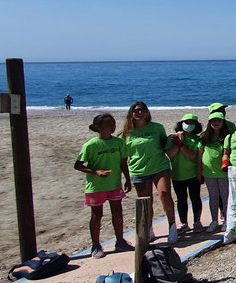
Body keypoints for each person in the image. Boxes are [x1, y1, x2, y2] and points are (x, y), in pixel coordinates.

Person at [74, 113, 131, 258]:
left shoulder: (119, 142)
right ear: (98, 127)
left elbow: (123, 163)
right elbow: (78, 165)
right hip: (96, 187)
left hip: (114, 185)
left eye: (113, 123)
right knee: (96, 215)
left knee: (117, 212)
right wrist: (95, 172)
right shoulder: (90, 145)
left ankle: (120, 241)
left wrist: (128, 179)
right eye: (108, 124)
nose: (113, 126)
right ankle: (95, 245)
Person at [121, 102, 176, 241]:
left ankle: (172, 226)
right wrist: (126, 177)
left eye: (142, 110)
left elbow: (165, 145)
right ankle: (149, 229)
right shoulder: (126, 133)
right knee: (146, 202)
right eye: (136, 110)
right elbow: (122, 158)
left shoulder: (157, 128)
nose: (139, 113)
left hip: (160, 167)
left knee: (164, 194)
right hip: (138, 171)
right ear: (131, 113)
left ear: (147, 112)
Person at [168, 113, 204, 239]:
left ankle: (197, 221)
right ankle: (184, 223)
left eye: (192, 123)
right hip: (177, 175)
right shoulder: (172, 138)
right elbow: (170, 154)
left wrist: (181, 144)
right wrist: (177, 143)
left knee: (195, 198)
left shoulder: (197, 140)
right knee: (181, 199)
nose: (188, 125)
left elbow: (193, 157)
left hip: (193, 174)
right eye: (186, 122)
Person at [200, 112, 229, 232]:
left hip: (223, 173)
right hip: (208, 172)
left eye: (219, 120)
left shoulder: (227, 137)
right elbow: (200, 154)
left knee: (225, 197)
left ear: (223, 122)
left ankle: (227, 220)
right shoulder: (204, 136)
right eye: (213, 121)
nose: (216, 123)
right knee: (213, 197)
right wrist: (199, 173)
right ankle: (214, 221)